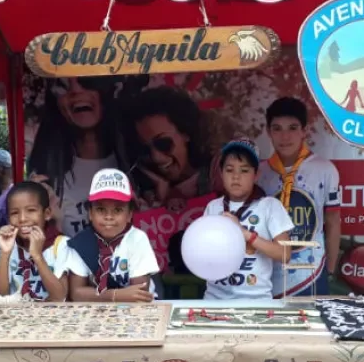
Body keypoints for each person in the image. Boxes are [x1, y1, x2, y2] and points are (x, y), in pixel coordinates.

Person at [258, 97, 342, 297]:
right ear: (268, 132)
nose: (284, 136)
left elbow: (333, 221)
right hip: (267, 273)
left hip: (311, 272)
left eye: (293, 128)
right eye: (277, 128)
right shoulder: (258, 173)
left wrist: (329, 269)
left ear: (304, 130)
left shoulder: (325, 169)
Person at [28, 77, 123, 236]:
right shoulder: (45, 176)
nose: (76, 91)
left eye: (87, 81)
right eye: (61, 86)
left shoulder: (132, 165)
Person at [203, 138, 294, 300]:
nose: (236, 177)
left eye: (244, 170)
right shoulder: (213, 207)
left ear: (256, 175)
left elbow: (285, 253)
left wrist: (246, 235)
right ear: (221, 173)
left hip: (256, 300)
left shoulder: (270, 206)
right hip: (214, 299)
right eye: (229, 170)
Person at [67, 168, 159, 302]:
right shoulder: (81, 243)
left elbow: (140, 293)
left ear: (129, 215)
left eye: (117, 210)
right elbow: (76, 293)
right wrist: (115, 295)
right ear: (90, 214)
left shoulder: (137, 239)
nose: (109, 217)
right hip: (97, 311)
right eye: (100, 209)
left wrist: (95, 295)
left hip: (138, 310)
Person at [123, 86, 218, 209]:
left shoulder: (217, 174)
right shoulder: (143, 194)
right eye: (145, 150)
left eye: (163, 143)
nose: (156, 157)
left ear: (185, 132)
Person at [0, 181, 72, 302]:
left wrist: (37, 256)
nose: (22, 219)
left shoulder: (61, 244)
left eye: (31, 210)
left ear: (47, 214)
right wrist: (5, 254)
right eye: (14, 213)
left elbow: (59, 297)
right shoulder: (1, 241)